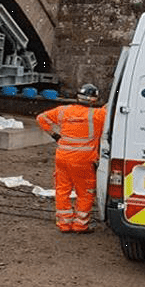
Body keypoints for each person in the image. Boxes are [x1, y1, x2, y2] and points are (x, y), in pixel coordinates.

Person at [36, 83, 107, 233]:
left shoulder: (63, 111)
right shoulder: (99, 115)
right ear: (94, 99)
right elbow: (112, 109)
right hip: (83, 160)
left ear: (78, 96)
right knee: (85, 192)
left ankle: (64, 224)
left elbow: (41, 118)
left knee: (62, 190)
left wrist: (55, 135)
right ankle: (80, 225)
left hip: (62, 157)